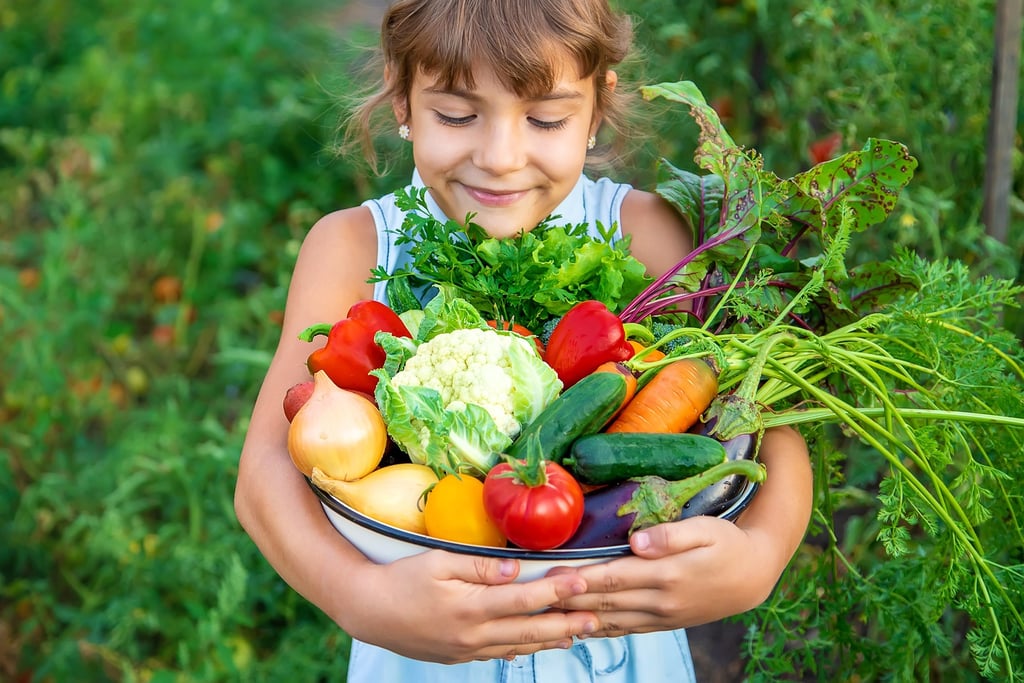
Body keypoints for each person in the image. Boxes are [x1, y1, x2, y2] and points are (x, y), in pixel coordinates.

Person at [235, 0, 813, 680]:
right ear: (402, 97)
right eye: (456, 114)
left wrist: (760, 556)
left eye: (545, 118)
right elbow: (263, 478)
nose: (500, 158)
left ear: (597, 110)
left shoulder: (652, 236)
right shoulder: (355, 248)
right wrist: (359, 597)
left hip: (618, 657)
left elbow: (774, 436)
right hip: (424, 655)